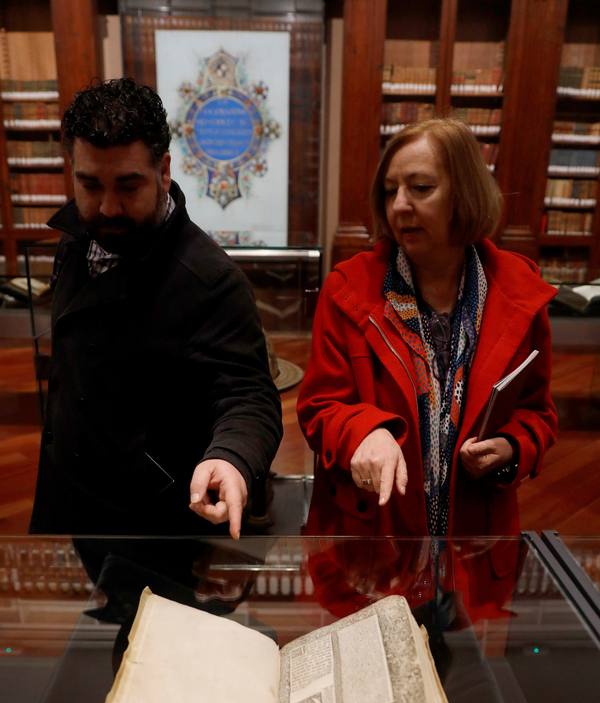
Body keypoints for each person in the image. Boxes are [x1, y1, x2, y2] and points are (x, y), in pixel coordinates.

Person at [29, 78, 282, 540]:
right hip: (66, 503)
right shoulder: (75, 239)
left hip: (152, 526)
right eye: (89, 185)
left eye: (128, 186)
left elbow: (249, 396)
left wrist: (231, 457)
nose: (107, 207)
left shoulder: (211, 279)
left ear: (164, 171)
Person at [297, 118, 557, 538]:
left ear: (465, 194)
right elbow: (319, 407)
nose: (399, 205)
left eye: (420, 189)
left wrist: (511, 447)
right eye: (390, 190)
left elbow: (538, 412)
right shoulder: (348, 288)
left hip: (474, 542)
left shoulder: (520, 293)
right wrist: (364, 432)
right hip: (372, 540)